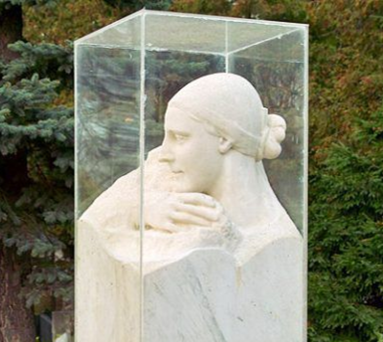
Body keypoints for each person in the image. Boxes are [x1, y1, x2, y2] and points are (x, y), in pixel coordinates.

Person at [80, 72, 299, 265]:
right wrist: (141, 210)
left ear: (224, 139)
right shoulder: (161, 173)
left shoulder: (278, 241)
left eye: (180, 137)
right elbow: (92, 220)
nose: (164, 153)